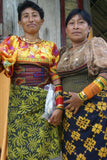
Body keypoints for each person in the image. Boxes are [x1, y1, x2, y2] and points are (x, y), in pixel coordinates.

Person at [0, 1, 64, 159]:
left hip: (42, 109)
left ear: (42, 21)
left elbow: (56, 79)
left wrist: (59, 107)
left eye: (35, 16)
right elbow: (3, 69)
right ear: (20, 22)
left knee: (41, 153)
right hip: (17, 108)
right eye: (26, 16)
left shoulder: (51, 47)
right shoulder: (11, 44)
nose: (31, 19)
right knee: (18, 151)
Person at [57, 8, 107, 160]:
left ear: (89, 28)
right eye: (71, 23)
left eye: (81, 22)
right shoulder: (62, 53)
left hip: (94, 114)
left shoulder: (95, 44)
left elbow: (105, 74)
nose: (76, 26)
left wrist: (82, 96)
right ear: (66, 29)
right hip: (69, 116)